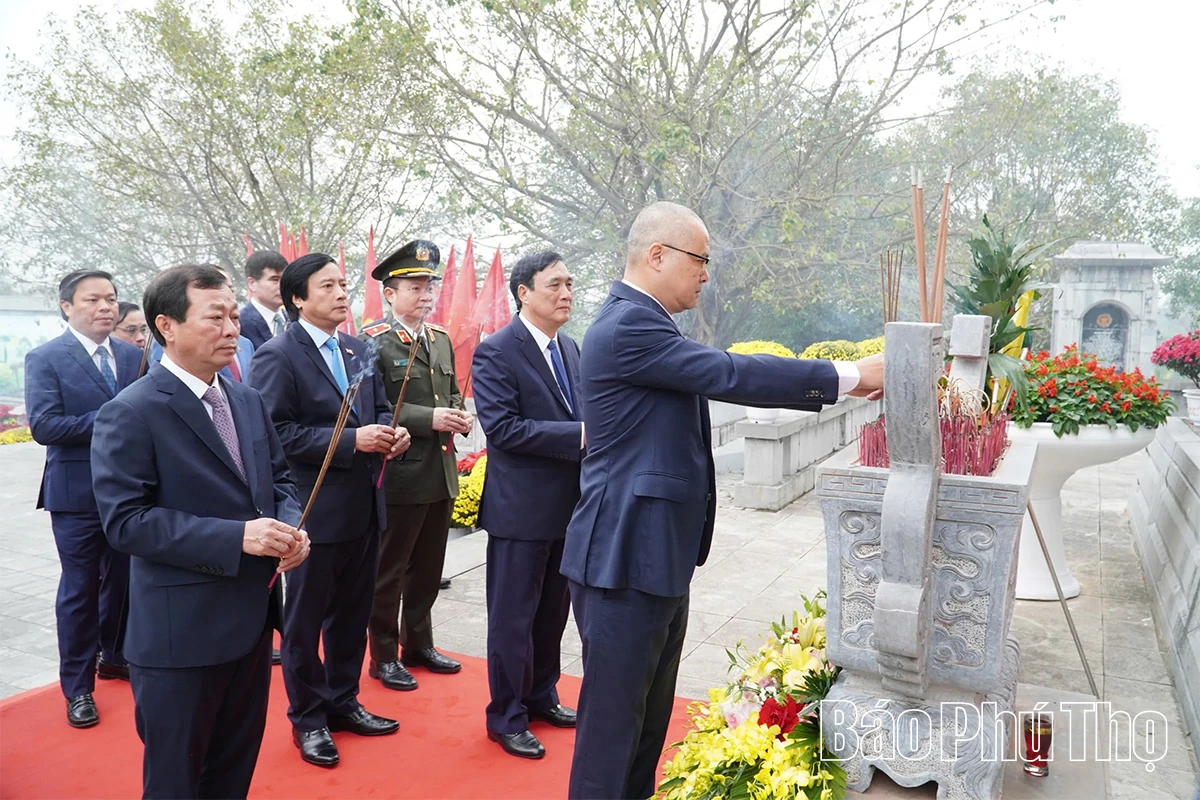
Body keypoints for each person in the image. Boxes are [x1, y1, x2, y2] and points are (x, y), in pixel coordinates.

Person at [561, 202, 885, 800]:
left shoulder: (647, 321)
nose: (706, 275)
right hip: (623, 556)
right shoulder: (628, 325)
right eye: (700, 260)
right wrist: (851, 374)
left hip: (652, 555)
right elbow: (730, 373)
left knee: (645, 726)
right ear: (657, 255)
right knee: (611, 733)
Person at [90, 263, 309, 799]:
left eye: (235, 316)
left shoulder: (246, 399)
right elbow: (126, 522)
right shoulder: (132, 411)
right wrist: (238, 537)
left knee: (232, 773)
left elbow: (278, 479)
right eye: (216, 317)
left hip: (252, 624)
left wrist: (288, 525)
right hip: (179, 638)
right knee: (176, 782)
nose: (233, 328)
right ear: (167, 325)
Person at [250, 253, 411, 768]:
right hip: (314, 511)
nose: (343, 294)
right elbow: (275, 433)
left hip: (365, 506)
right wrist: (351, 441)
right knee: (304, 622)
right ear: (298, 297)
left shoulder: (358, 347)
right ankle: (309, 719)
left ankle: (344, 701)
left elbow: (380, 407)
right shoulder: (279, 354)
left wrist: (392, 432)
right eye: (328, 286)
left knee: (352, 614)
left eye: (344, 285)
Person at [472, 250, 582, 760]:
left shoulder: (572, 349)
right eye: (555, 284)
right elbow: (505, 429)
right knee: (512, 620)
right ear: (524, 292)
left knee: (551, 615)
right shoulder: (498, 351)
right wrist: (581, 434)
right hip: (520, 512)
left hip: (569, 508)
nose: (566, 294)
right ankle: (507, 715)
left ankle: (542, 696)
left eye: (569, 284)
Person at [24, 270, 141, 728]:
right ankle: (77, 687)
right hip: (75, 495)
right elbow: (45, 427)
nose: (106, 307)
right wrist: (113, 417)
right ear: (67, 306)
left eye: (111, 298)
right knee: (79, 590)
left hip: (130, 492)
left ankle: (114, 656)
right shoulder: (47, 358)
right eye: (93, 299)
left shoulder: (135, 356)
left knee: (123, 582)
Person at [361, 240, 473, 694]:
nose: (425, 294)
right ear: (390, 293)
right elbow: (372, 407)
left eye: (429, 285)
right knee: (391, 570)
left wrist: (458, 413)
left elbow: (448, 394)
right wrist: (429, 419)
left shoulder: (440, 338)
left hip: (440, 472)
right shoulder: (375, 342)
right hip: (402, 473)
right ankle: (383, 654)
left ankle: (419, 643)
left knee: (428, 568)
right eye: (414, 286)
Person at [240, 250, 288, 350]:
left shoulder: (295, 320)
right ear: (252, 283)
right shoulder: (240, 324)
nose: (282, 286)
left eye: (285, 280)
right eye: (274, 279)